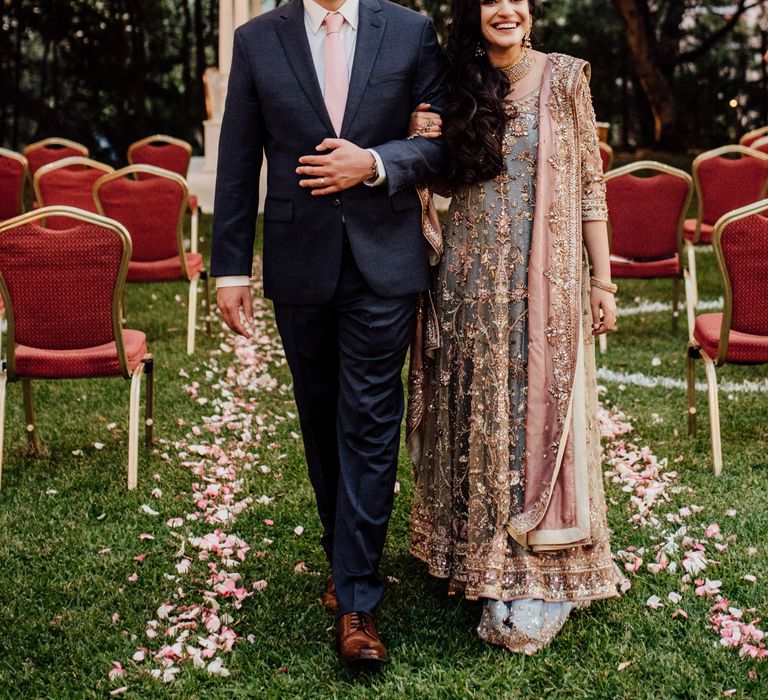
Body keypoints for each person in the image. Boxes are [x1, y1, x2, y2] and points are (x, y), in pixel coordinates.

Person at [210, 0, 445, 670]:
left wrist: (371, 162)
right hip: (298, 260)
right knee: (320, 417)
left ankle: (357, 602)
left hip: (385, 261)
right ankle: (345, 562)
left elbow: (434, 141)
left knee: (371, 418)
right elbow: (237, 158)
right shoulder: (257, 40)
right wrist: (230, 267)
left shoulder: (409, 31)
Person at [406, 0, 622, 655]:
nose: (505, 9)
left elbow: (588, 188)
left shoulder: (565, 79)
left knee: (534, 415)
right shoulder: (453, 85)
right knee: (476, 412)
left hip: (543, 288)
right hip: (469, 283)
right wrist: (420, 141)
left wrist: (602, 279)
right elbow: (432, 181)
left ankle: (534, 569)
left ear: (530, 13)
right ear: (475, 14)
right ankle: (481, 560)